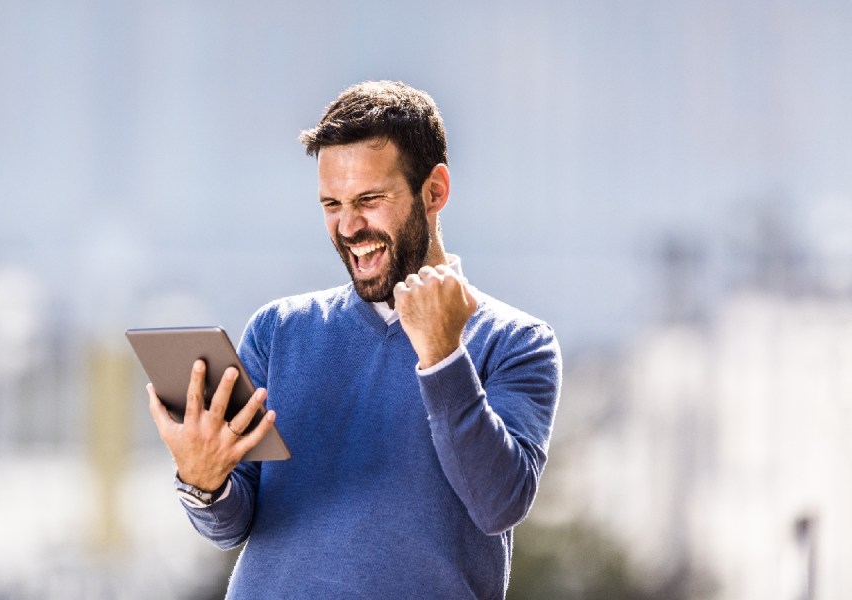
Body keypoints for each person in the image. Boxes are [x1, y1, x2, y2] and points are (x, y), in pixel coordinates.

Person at [148, 80, 562, 599]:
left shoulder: (517, 343)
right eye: (331, 204)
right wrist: (203, 481)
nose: (348, 226)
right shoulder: (279, 330)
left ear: (434, 191)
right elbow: (230, 526)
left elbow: (499, 502)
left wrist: (442, 357)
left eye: (369, 199)